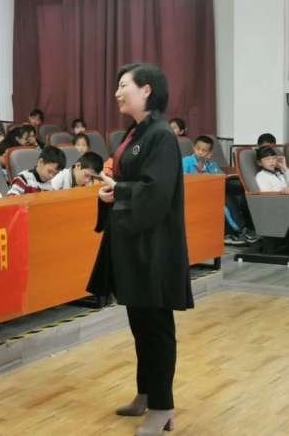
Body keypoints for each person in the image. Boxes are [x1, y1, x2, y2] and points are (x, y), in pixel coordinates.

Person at [87, 63, 193, 436]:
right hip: (134, 242)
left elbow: (155, 191)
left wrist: (118, 190)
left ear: (146, 90)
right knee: (140, 325)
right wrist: (111, 189)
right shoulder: (135, 132)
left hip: (154, 246)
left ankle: (163, 409)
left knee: (156, 328)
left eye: (124, 85)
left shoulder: (161, 135)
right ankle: (146, 393)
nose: (117, 92)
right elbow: (130, 181)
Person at [182, 135, 258, 244]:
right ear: (193, 147)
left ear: (209, 152)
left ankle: (246, 227)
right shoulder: (186, 161)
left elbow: (221, 176)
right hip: (196, 193)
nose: (200, 152)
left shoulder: (210, 163)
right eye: (198, 149)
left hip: (212, 191)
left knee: (236, 190)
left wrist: (210, 166)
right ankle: (242, 229)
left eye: (204, 150)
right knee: (225, 199)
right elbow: (183, 178)